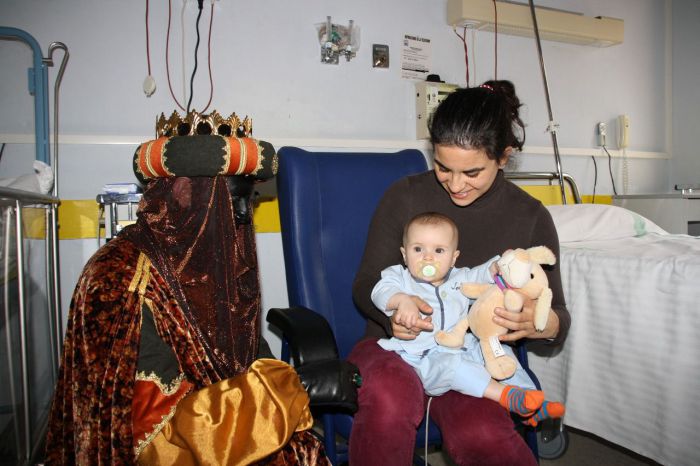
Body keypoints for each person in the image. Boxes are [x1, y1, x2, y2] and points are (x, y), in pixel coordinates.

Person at [45, 126, 330, 465]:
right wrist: (295, 388)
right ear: (183, 192)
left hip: (239, 429)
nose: (242, 215)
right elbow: (159, 443)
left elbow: (250, 362)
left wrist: (287, 389)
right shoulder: (119, 280)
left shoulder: (216, 263)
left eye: (248, 201)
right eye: (232, 200)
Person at [350, 80, 571, 465]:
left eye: (471, 172)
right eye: (442, 167)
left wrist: (539, 323)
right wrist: (393, 314)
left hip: (470, 357)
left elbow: (558, 320)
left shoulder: (530, 217)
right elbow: (366, 283)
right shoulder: (405, 195)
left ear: (503, 157)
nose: (455, 184)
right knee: (389, 397)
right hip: (395, 349)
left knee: (482, 432)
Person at [372, 211, 564, 425]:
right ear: (405, 254)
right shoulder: (400, 277)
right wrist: (401, 300)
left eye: (439, 250)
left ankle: (531, 401)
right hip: (425, 354)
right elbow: (380, 291)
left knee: (502, 353)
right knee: (453, 367)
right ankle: (505, 396)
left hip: (467, 344)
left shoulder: (459, 277)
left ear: (453, 257)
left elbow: (482, 275)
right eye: (418, 249)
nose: (428, 257)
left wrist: (497, 266)